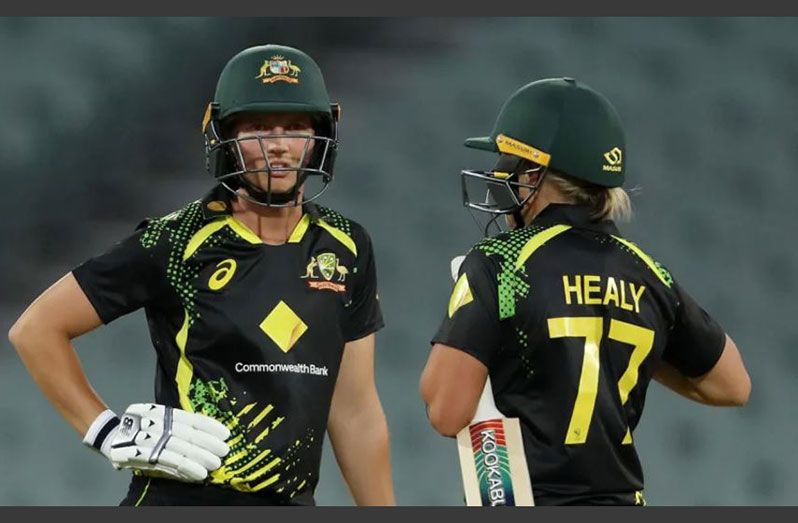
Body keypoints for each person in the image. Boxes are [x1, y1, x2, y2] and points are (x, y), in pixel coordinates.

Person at [9, 44, 395, 506]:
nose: (278, 144)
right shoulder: (176, 241)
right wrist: (105, 430)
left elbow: (355, 411)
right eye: (257, 127)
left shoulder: (348, 245)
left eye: (295, 127)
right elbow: (35, 330)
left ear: (319, 136)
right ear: (223, 136)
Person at [420, 78, 751, 506]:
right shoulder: (649, 274)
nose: (499, 174)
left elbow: (446, 410)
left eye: (507, 161)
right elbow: (733, 386)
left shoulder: (501, 263)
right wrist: (606, 342)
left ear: (534, 174)